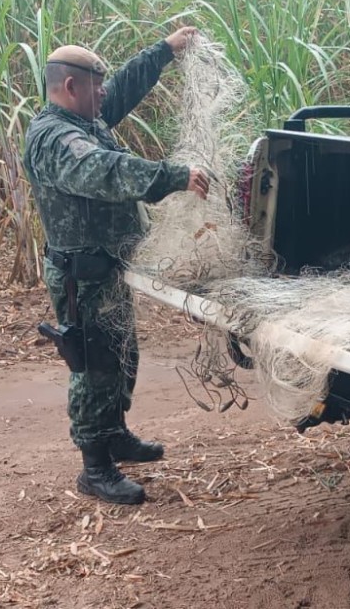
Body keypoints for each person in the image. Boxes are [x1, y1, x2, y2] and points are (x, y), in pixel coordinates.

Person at [23, 26, 211, 505]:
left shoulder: (86, 120)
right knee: (95, 364)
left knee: (121, 355)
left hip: (106, 267)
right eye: (95, 85)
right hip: (80, 275)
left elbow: (123, 85)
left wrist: (164, 51)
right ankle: (95, 467)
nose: (104, 93)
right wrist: (172, 176)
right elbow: (104, 171)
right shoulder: (55, 139)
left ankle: (115, 433)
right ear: (71, 88)